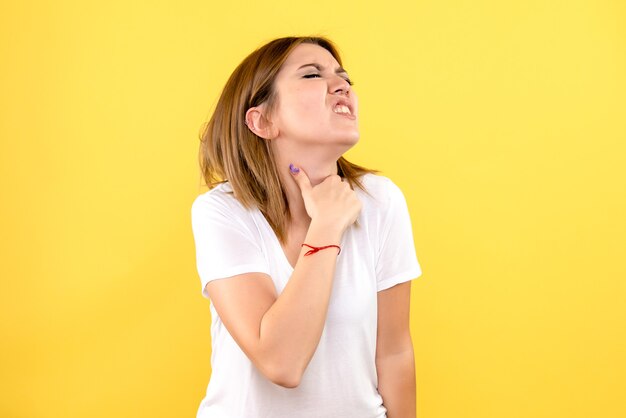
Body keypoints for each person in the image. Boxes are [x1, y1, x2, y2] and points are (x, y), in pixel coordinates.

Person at [191, 36, 423, 418]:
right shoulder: (222, 212)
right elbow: (281, 362)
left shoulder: (381, 201)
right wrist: (327, 229)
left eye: (343, 76)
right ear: (262, 120)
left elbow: (394, 352)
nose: (342, 85)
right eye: (313, 74)